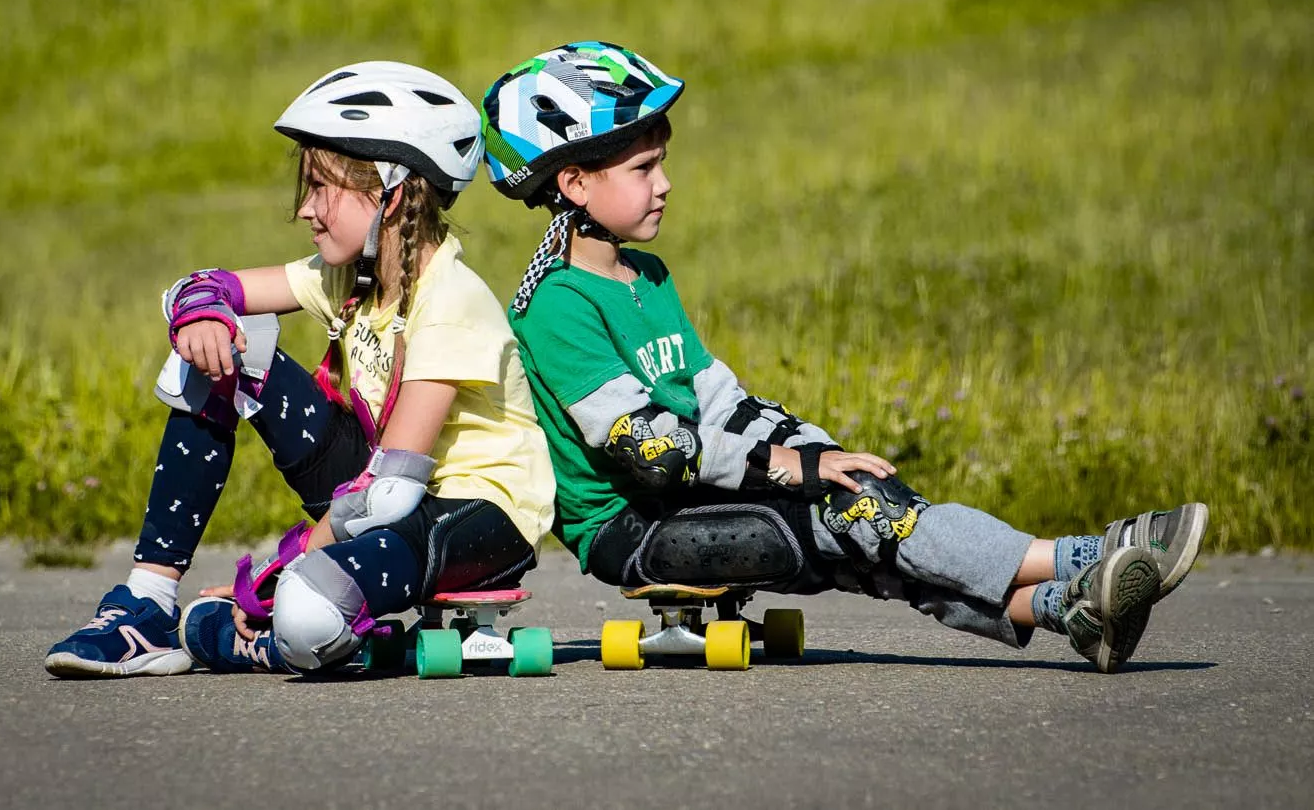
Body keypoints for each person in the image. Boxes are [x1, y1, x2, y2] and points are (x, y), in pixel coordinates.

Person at [481, 40, 1207, 673]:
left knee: (869, 514)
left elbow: (720, 400)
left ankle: (1072, 611)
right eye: (643, 168)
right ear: (573, 183)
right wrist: (797, 471)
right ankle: (1092, 556)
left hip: (688, 494)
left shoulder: (649, 279)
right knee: (859, 516)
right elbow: (652, 450)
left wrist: (811, 448)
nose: (665, 183)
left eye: (662, 163)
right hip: (634, 529)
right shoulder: (558, 305)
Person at [45, 62, 554, 677]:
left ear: (391, 193)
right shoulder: (350, 277)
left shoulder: (451, 301)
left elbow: (388, 492)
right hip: (387, 497)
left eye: (322, 189)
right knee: (228, 349)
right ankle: (146, 605)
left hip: (478, 518)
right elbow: (210, 286)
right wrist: (200, 315)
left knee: (305, 611)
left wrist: (265, 580)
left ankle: (265, 636)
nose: (306, 211)